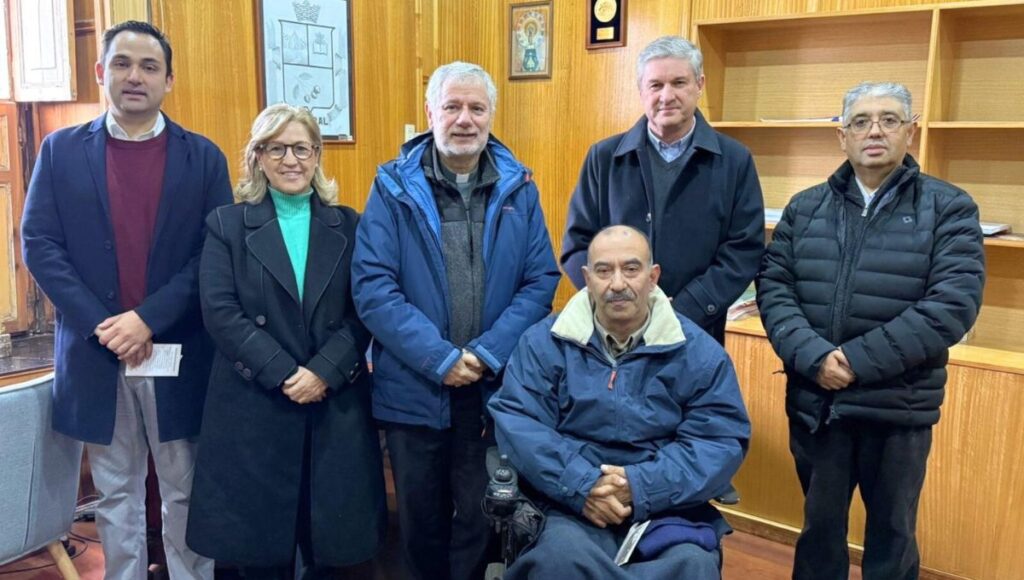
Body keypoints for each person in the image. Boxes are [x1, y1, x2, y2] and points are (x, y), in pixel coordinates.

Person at [21, 21, 231, 580]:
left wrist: (147, 319)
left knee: (185, 487)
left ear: (169, 80)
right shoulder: (60, 150)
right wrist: (105, 325)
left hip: (177, 348)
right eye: (122, 63)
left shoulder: (203, 157)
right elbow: (39, 244)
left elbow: (213, 253)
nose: (135, 76)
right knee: (115, 494)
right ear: (100, 72)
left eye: (149, 66)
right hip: (98, 353)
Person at [756, 82, 985, 580]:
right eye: (860, 121)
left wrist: (856, 362)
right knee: (818, 535)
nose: (874, 131)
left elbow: (952, 305)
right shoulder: (804, 207)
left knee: (893, 538)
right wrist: (815, 357)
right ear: (842, 136)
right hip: (818, 404)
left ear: (911, 131)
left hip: (897, 408)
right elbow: (774, 289)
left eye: (889, 119)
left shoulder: (949, 207)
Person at [351, 61, 560, 580]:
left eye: (476, 108)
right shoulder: (392, 188)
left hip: (491, 389)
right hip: (414, 387)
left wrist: (487, 353)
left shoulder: (520, 189)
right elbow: (373, 287)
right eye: (452, 107)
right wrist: (439, 358)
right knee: (419, 524)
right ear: (430, 113)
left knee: (481, 518)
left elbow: (540, 282)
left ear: (491, 115)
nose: (464, 119)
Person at [185, 104, 386, 578]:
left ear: (317, 155)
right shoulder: (226, 225)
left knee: (333, 552)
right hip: (257, 401)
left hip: (332, 402)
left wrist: (322, 373)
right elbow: (221, 312)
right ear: (257, 156)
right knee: (259, 557)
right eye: (276, 149)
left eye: (301, 148)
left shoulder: (350, 224)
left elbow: (365, 309)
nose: (290, 160)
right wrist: (284, 373)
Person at [489, 225, 751, 579]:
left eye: (630, 269)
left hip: (665, 503)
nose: (617, 283)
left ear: (652, 277)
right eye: (603, 270)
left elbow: (717, 441)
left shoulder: (699, 353)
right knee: (557, 561)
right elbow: (520, 423)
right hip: (570, 500)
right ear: (586, 278)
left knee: (693, 566)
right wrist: (583, 485)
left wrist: (640, 486)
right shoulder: (544, 343)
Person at [561, 35, 764, 345]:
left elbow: (744, 250)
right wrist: (619, 302)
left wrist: (683, 310)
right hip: (614, 330)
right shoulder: (603, 158)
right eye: (655, 85)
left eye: (679, 83)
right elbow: (577, 246)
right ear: (641, 90)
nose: (666, 96)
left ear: (699, 84)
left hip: (696, 331)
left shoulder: (735, 160)